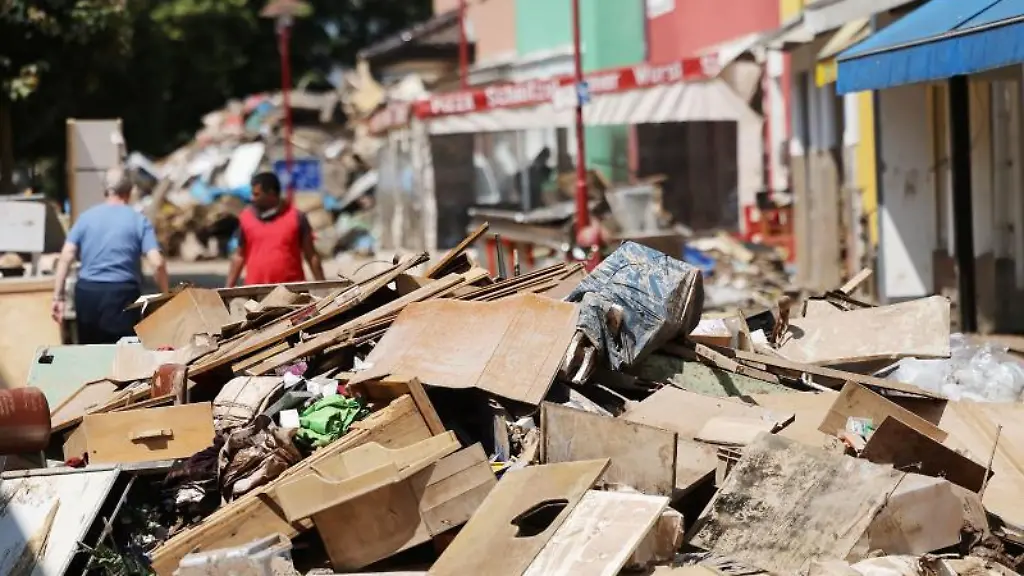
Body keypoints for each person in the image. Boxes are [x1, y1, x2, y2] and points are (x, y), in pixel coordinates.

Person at [52, 167, 169, 344]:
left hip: (87, 294)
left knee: (90, 352)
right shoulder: (138, 220)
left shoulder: (85, 218)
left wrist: (58, 297)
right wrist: (165, 295)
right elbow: (157, 262)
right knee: (123, 353)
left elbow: (66, 255)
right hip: (123, 295)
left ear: (105, 191)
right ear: (129, 191)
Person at [226, 172, 325, 287]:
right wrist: (227, 289)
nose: (252, 198)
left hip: (292, 292)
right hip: (255, 292)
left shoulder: (296, 217)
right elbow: (239, 256)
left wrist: (323, 287)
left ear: (271, 194)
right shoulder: (246, 218)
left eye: (256, 194)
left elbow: (311, 254)